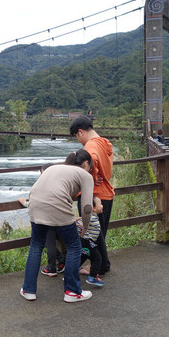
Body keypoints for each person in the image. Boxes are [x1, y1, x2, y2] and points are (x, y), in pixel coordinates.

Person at [20, 149, 95, 303]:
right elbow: (87, 207)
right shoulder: (85, 175)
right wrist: (86, 225)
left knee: (36, 246)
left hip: (34, 203)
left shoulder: (53, 167)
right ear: (86, 164)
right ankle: (72, 292)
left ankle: (28, 290)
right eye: (90, 167)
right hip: (57, 204)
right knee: (74, 247)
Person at [70, 115, 115, 275]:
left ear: (80, 132)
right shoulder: (105, 143)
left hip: (93, 195)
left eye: (76, 136)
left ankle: (100, 267)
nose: (79, 141)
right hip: (106, 193)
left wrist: (93, 176)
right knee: (99, 234)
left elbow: (92, 159)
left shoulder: (90, 145)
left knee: (91, 235)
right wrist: (97, 174)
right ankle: (102, 265)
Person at [18, 164, 65, 277]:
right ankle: (61, 260)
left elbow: (38, 203)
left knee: (49, 243)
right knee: (51, 242)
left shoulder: (43, 185)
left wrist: (24, 203)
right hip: (59, 217)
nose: (40, 175)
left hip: (46, 219)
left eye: (42, 172)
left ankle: (51, 268)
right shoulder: (58, 183)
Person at [75, 196, 105, 287]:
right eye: (100, 204)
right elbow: (80, 223)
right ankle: (92, 277)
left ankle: (70, 274)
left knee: (82, 257)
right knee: (97, 258)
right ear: (94, 208)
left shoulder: (93, 216)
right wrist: (80, 230)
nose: (102, 206)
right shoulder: (90, 217)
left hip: (85, 242)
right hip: (88, 242)